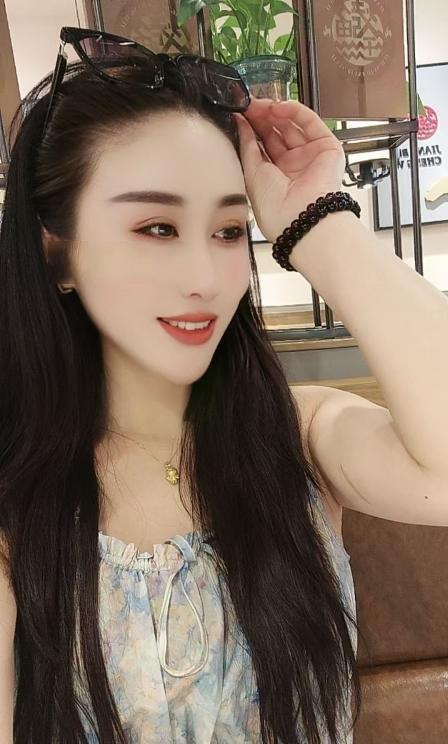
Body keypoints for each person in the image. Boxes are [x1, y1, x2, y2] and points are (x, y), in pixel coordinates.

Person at [0, 30, 361, 744]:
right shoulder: (19, 515)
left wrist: (321, 223)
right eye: (158, 227)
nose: (206, 279)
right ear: (57, 254)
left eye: (229, 231)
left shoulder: (302, 438)